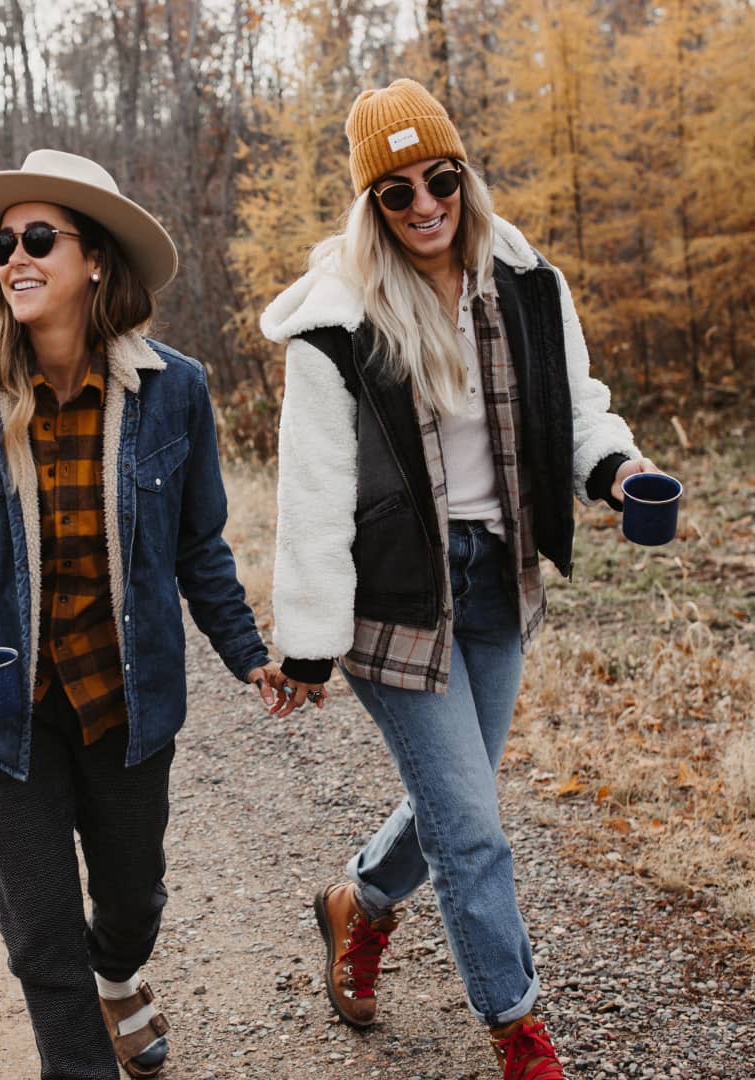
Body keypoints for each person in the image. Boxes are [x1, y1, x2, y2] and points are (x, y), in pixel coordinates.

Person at [261, 80, 661, 1080]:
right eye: (396, 193)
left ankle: (357, 900)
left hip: (498, 581)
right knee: (475, 831)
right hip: (391, 599)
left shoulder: (529, 283)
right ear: (371, 207)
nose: (425, 204)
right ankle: (518, 1033)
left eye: (441, 178)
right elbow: (313, 488)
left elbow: (578, 412)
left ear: (464, 176)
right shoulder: (337, 326)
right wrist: (307, 643)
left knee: (459, 801)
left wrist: (622, 470)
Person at [0, 149, 279, 1080]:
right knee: (38, 931)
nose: (14, 259)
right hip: (4, 715)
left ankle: (121, 974)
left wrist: (249, 653)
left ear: (95, 259)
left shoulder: (172, 390)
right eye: (1, 244)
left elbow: (198, 546)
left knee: (132, 899)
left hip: (125, 702)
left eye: (37, 238)